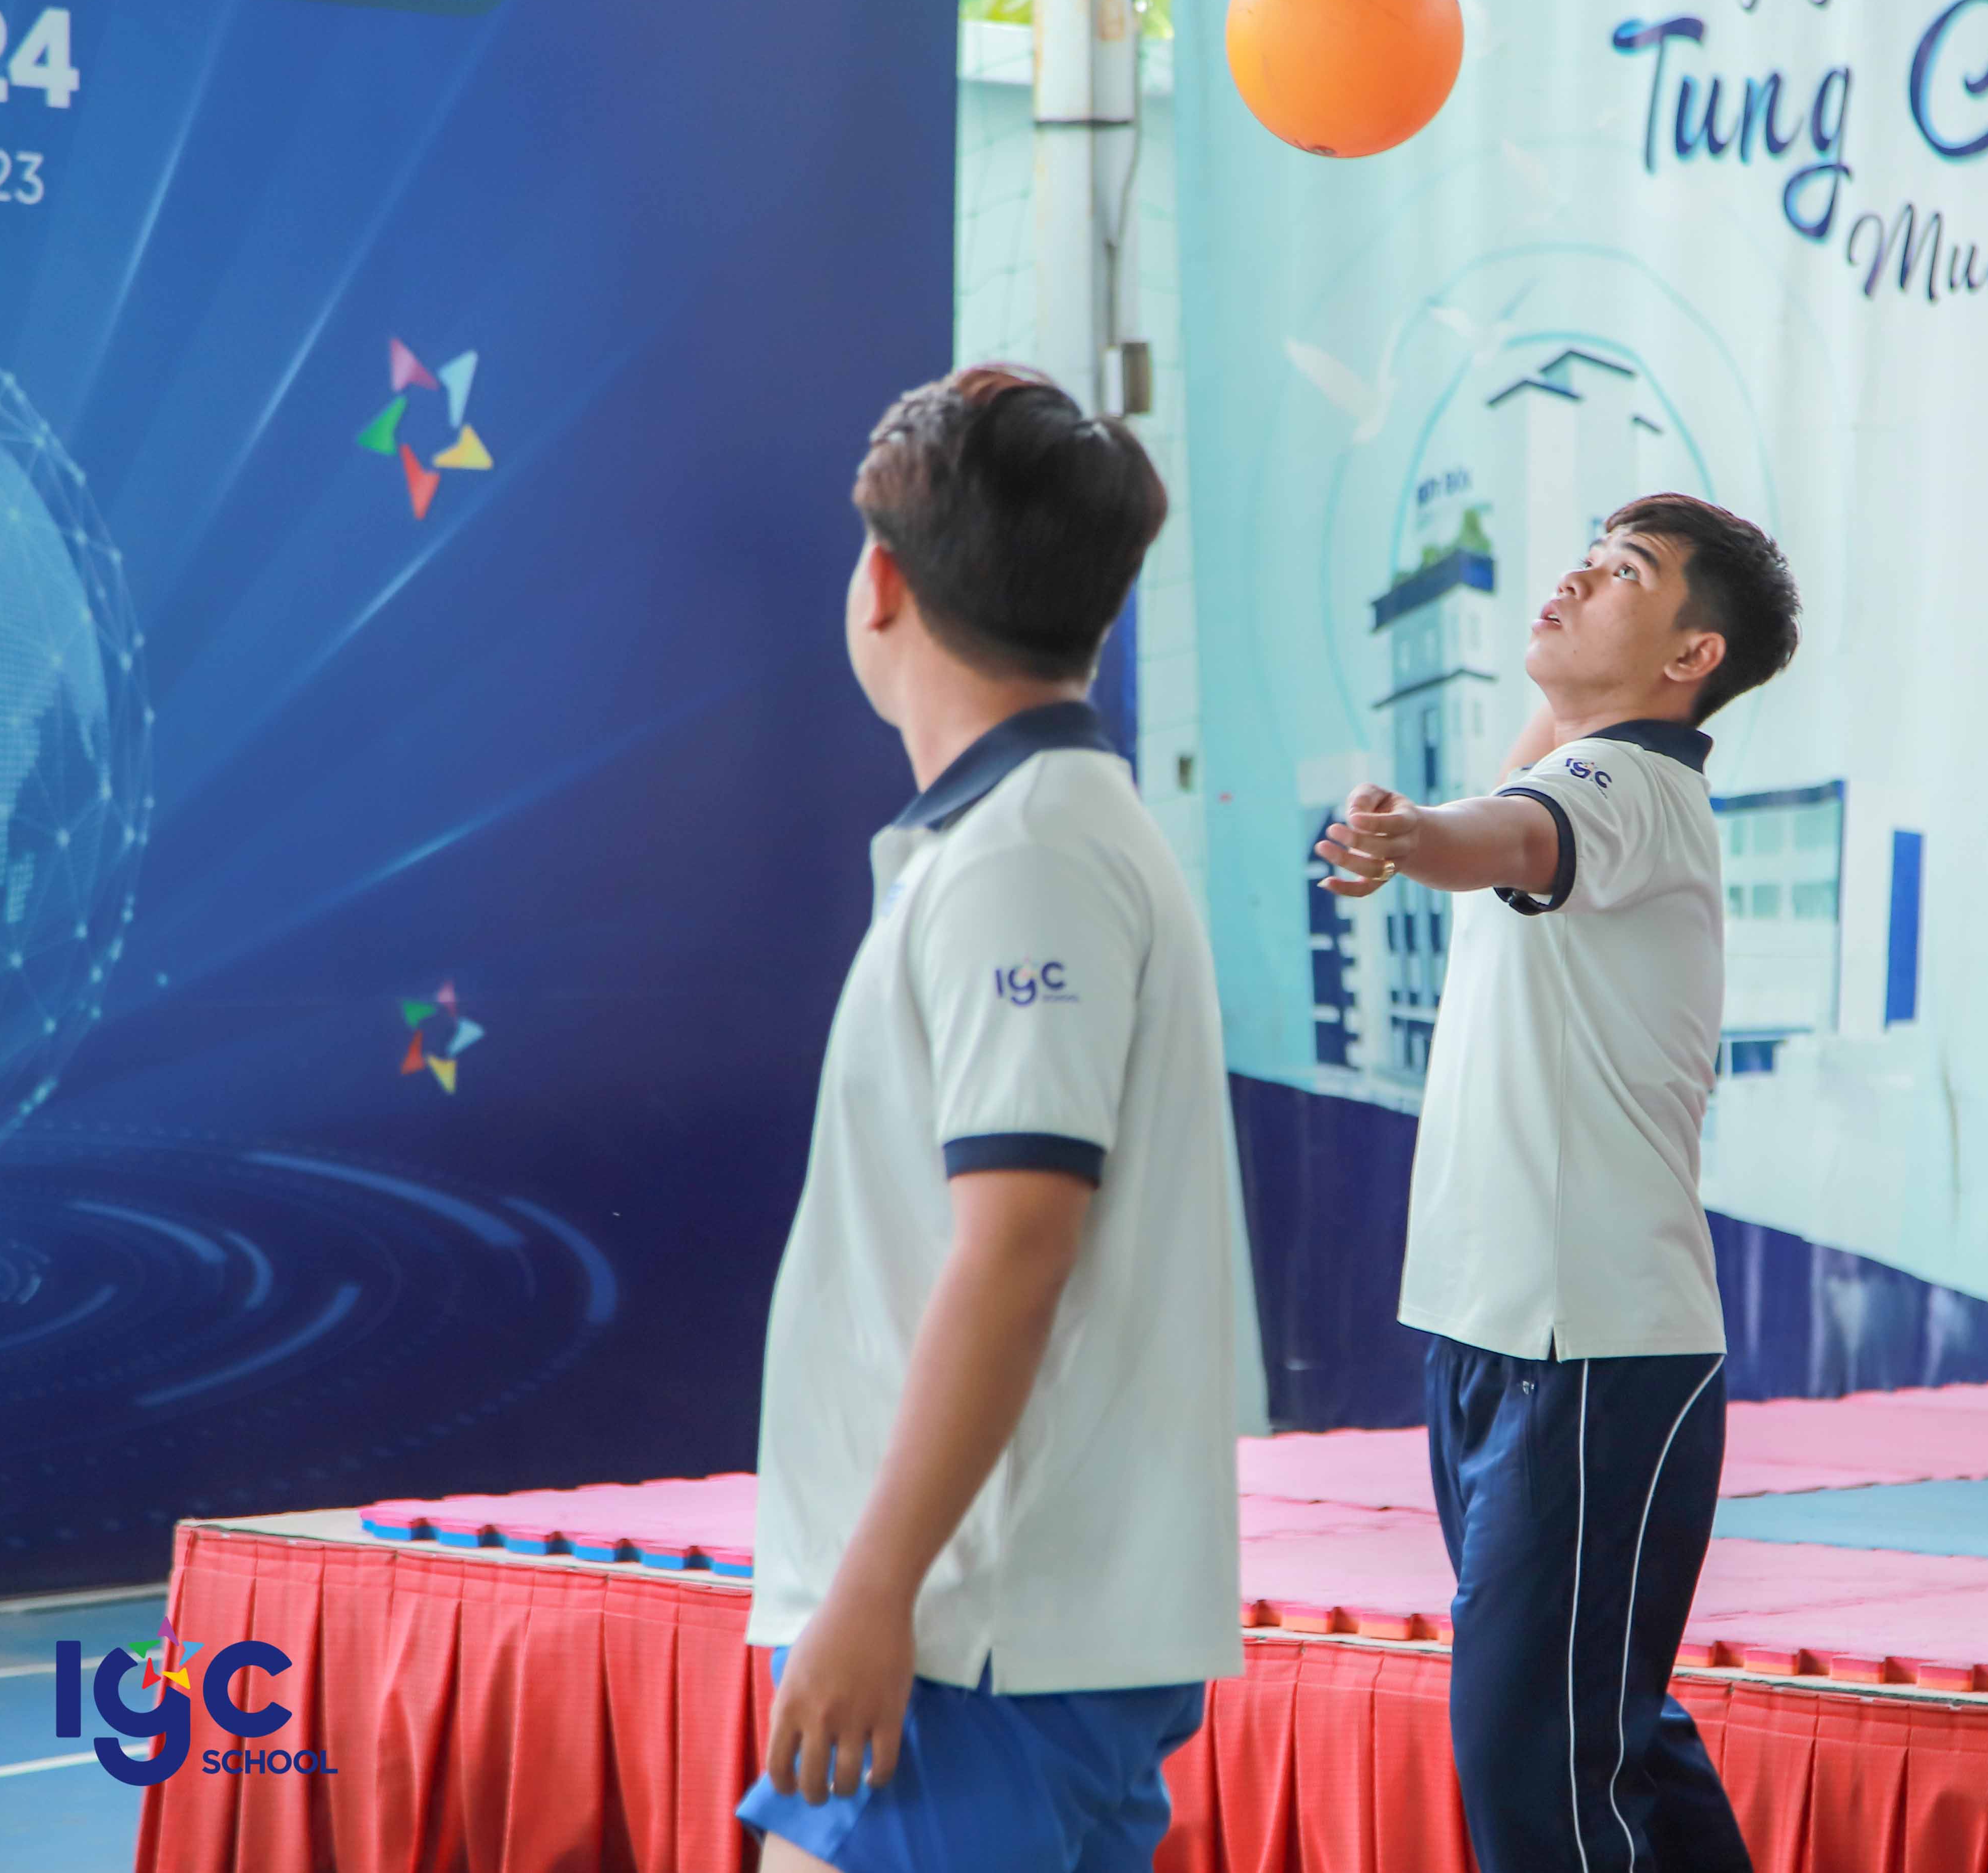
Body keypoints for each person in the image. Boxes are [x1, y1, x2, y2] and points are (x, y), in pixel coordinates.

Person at [742, 365, 1239, 1873]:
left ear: (882, 585)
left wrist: (875, 1591)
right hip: (994, 1631)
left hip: (977, 1639)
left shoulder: (1028, 857)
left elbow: (1019, 1245)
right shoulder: (1028, 836)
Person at [1314, 493, 1801, 1873]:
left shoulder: (1631, 787)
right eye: (1583, 558)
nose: (1576, 580)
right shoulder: (1583, 755)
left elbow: (1505, 836)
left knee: (1537, 1772)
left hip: (1587, 1351)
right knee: (1597, 1735)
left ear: (1692, 656)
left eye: (1623, 572)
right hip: (1496, 1333)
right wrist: (1419, 822)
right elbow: (1500, 799)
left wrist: (1409, 838)